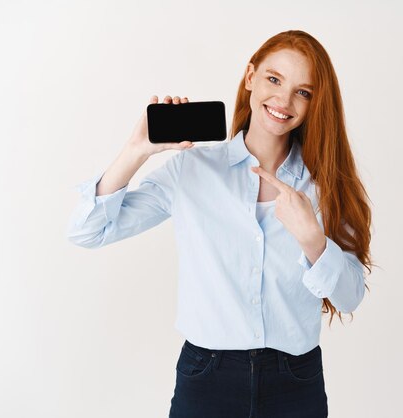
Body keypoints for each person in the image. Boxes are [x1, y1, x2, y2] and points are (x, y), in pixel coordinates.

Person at [66, 29, 373, 418]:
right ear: (250, 78)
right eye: (274, 80)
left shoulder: (325, 184)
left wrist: (314, 240)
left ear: (315, 104)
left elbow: (350, 296)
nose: (283, 100)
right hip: (207, 378)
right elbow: (87, 230)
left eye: (303, 92)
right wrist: (136, 151)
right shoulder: (192, 169)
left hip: (295, 382)